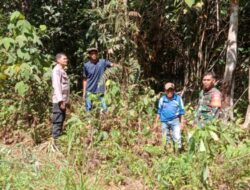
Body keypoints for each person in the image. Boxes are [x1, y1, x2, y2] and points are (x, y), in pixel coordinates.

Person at [154, 82, 185, 152]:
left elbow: (181, 111)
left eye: (171, 90)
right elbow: (159, 111)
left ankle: (178, 151)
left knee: (177, 136)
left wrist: (182, 122)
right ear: (165, 91)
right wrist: (156, 122)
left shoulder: (178, 99)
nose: (169, 92)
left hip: (175, 120)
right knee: (165, 136)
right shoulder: (162, 99)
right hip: (164, 121)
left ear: (174, 90)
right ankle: (168, 151)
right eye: (168, 90)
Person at [82, 48, 115, 112]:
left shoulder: (102, 62)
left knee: (104, 108)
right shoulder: (86, 65)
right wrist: (84, 92)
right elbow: (85, 79)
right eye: (92, 54)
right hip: (89, 90)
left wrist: (111, 55)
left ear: (97, 54)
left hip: (100, 89)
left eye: (95, 53)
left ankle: (104, 121)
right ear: (89, 55)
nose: (94, 55)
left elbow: (112, 65)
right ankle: (89, 121)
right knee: (88, 108)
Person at [52, 53, 70, 139]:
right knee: (58, 121)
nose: (66, 60)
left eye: (66, 59)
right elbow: (57, 86)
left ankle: (59, 139)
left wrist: (67, 101)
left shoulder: (62, 70)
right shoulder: (57, 70)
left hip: (63, 100)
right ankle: (55, 141)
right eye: (64, 59)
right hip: (59, 101)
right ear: (58, 60)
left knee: (62, 120)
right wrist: (61, 100)